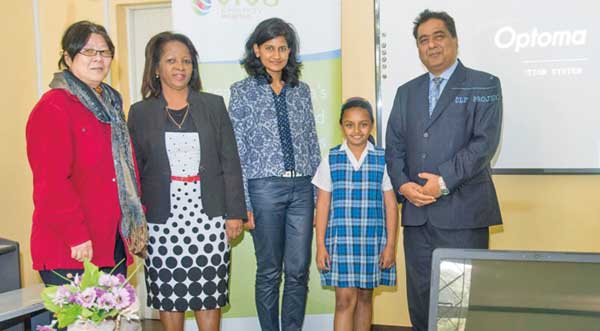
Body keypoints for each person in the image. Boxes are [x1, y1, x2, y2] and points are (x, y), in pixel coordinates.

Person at [385, 9, 503, 331]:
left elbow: (483, 145)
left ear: (454, 41)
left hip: (463, 214)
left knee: (460, 306)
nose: (432, 45)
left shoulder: (484, 84)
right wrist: (403, 186)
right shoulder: (405, 92)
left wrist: (444, 182)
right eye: (424, 40)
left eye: (439, 36)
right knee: (421, 300)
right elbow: (393, 148)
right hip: (417, 217)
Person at [127, 32, 245, 331]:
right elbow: (133, 171)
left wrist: (234, 213)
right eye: (171, 60)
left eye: (187, 61)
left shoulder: (213, 105)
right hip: (162, 220)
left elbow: (230, 162)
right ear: (156, 67)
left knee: (209, 294)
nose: (180, 67)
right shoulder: (140, 113)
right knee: (169, 295)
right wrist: (136, 222)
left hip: (208, 216)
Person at [26, 20, 146, 286]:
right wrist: (75, 235)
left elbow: (125, 171)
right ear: (68, 58)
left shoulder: (111, 106)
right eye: (88, 51)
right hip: (73, 247)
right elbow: (51, 183)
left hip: (111, 241)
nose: (98, 59)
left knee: (108, 325)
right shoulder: (54, 107)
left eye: (104, 52)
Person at [228, 17, 321, 331]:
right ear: (256, 50)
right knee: (269, 271)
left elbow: (311, 142)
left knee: (298, 271)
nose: (277, 54)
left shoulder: (301, 91)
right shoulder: (241, 92)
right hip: (263, 189)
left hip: (303, 189)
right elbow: (236, 149)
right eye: (270, 48)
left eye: (283, 48)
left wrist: (319, 194)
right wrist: (242, 204)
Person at [314, 98, 398, 331]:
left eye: (363, 124)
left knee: (364, 298)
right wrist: (320, 245)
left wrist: (390, 245)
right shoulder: (331, 158)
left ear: (371, 125)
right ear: (341, 126)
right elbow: (322, 205)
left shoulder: (383, 159)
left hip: (372, 241)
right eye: (349, 125)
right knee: (343, 301)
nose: (356, 130)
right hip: (340, 242)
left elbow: (391, 206)